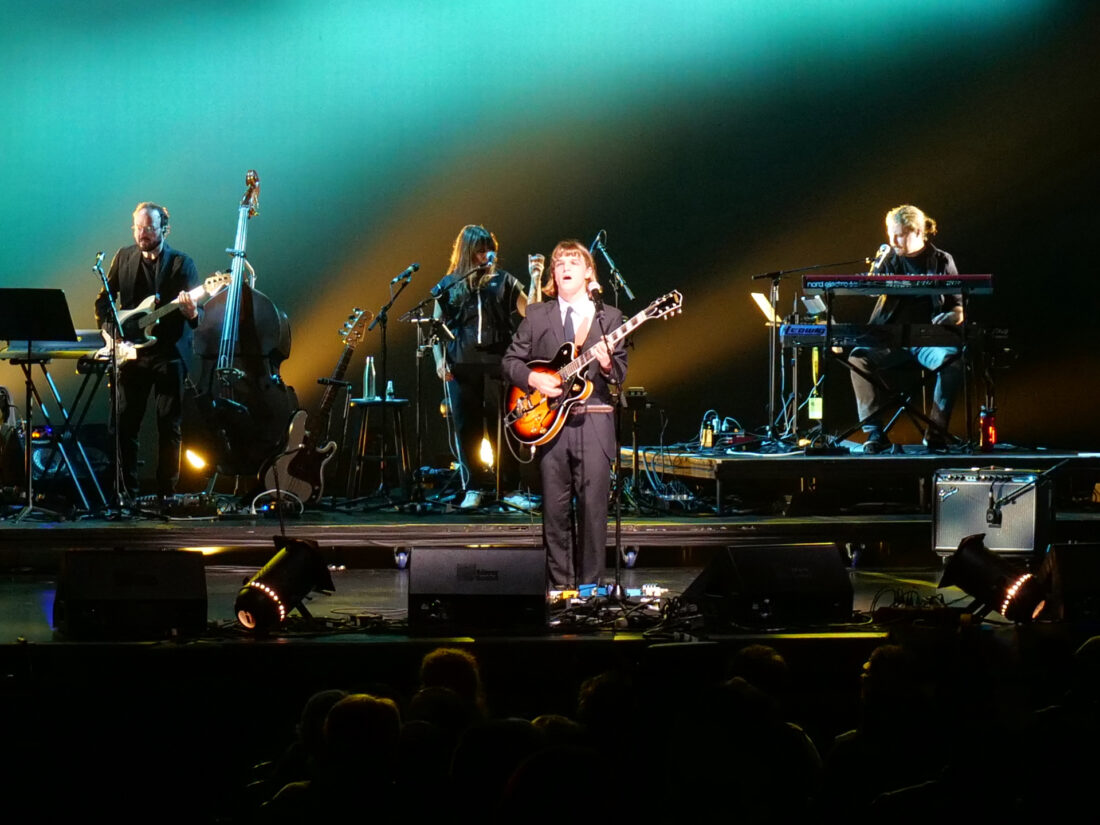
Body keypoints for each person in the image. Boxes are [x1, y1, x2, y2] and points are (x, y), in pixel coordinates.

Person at [502, 240, 627, 589]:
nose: (565, 267)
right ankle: (558, 589)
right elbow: (509, 361)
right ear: (553, 275)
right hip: (549, 424)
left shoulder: (610, 317)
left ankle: (589, 590)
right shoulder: (538, 314)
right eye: (559, 264)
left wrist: (605, 363)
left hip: (594, 423)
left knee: (593, 513)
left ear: (588, 272)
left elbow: (618, 378)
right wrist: (532, 377)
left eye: (573, 262)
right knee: (555, 515)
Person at [95, 202, 199, 498]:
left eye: (148, 228)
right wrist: (111, 332)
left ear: (164, 229)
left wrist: (191, 311)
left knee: (169, 427)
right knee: (124, 426)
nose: (141, 234)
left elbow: (196, 317)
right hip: (131, 353)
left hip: (169, 355)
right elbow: (104, 300)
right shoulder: (123, 257)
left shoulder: (182, 263)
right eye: (137, 227)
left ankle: (167, 494)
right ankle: (126, 492)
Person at [432, 225, 535, 509]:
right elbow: (434, 329)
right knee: (468, 429)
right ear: (467, 252)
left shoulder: (504, 281)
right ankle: (474, 488)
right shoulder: (449, 284)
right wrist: (440, 360)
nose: (486, 255)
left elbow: (532, 311)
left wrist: (535, 279)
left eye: (490, 250)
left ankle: (510, 489)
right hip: (461, 366)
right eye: (480, 250)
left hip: (500, 363)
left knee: (506, 426)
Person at [849, 204, 963, 453]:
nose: (893, 240)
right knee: (857, 358)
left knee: (951, 360)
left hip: (928, 340)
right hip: (890, 338)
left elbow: (958, 310)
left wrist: (948, 318)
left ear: (919, 232)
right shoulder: (889, 258)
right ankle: (874, 433)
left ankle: (936, 431)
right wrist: (876, 267)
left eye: (900, 234)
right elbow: (870, 291)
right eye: (891, 233)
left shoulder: (942, 260)